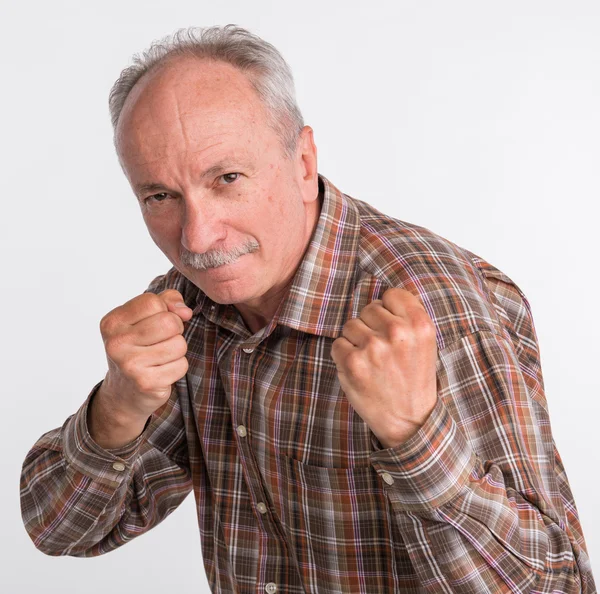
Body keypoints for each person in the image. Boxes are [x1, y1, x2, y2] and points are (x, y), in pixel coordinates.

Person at [20, 24, 596, 594]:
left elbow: (560, 585)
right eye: (161, 196)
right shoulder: (190, 306)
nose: (197, 235)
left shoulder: (437, 303)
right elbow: (58, 529)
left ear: (301, 162)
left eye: (226, 178)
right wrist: (117, 408)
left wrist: (415, 441)